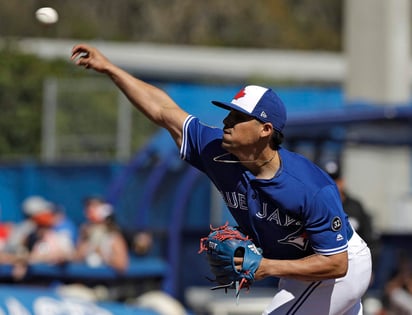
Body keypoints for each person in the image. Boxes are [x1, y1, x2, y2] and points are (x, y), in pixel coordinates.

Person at [71, 44, 372, 315]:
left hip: (340, 268)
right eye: (229, 113)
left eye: (238, 118)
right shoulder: (214, 149)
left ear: (266, 130)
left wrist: (266, 267)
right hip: (300, 272)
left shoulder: (310, 187)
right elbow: (164, 111)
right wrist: (111, 69)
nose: (227, 123)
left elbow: (336, 263)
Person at [74, 196, 129, 272]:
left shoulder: (113, 235)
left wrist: (103, 255)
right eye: (89, 207)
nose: (91, 210)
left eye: (95, 207)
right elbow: (76, 259)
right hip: (85, 279)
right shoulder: (85, 232)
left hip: (105, 281)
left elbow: (122, 265)